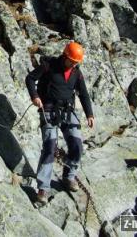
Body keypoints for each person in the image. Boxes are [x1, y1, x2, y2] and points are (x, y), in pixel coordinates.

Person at [25, 41, 95, 205]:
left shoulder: (76, 73)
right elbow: (30, 79)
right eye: (72, 61)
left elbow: (83, 94)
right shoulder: (49, 66)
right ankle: (43, 188)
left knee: (77, 144)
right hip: (48, 110)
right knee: (50, 147)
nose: (74, 64)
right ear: (65, 56)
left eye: (76, 62)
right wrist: (35, 96)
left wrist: (89, 114)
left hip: (68, 111)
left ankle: (69, 176)